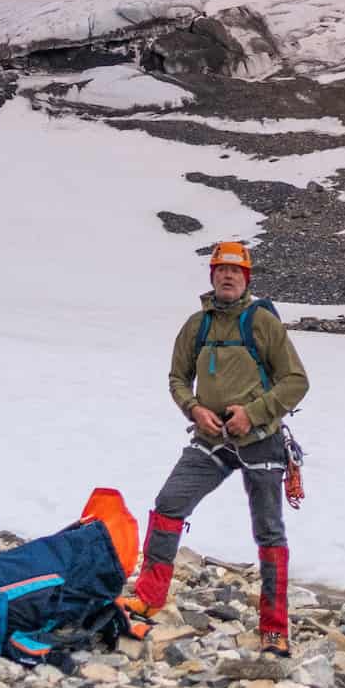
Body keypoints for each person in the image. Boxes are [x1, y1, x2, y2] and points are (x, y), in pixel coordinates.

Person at [124, 238, 309, 655]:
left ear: (247, 279)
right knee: (170, 502)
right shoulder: (197, 324)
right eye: (221, 270)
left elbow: (296, 381)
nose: (228, 276)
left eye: (236, 271)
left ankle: (274, 628)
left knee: (268, 530)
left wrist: (254, 413)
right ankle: (148, 598)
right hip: (210, 438)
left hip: (260, 439)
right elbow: (176, 377)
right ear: (212, 276)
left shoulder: (262, 322)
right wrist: (193, 409)